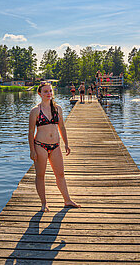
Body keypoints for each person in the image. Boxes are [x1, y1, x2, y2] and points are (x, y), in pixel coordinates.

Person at [28, 82, 80, 212]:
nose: (49, 93)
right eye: (45, 91)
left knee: (60, 174)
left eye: (50, 91)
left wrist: (66, 143)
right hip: (40, 146)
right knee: (40, 175)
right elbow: (30, 132)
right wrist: (32, 150)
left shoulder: (58, 109)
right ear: (39, 94)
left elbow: (61, 127)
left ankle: (67, 200)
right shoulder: (35, 111)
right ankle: (44, 203)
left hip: (55, 146)